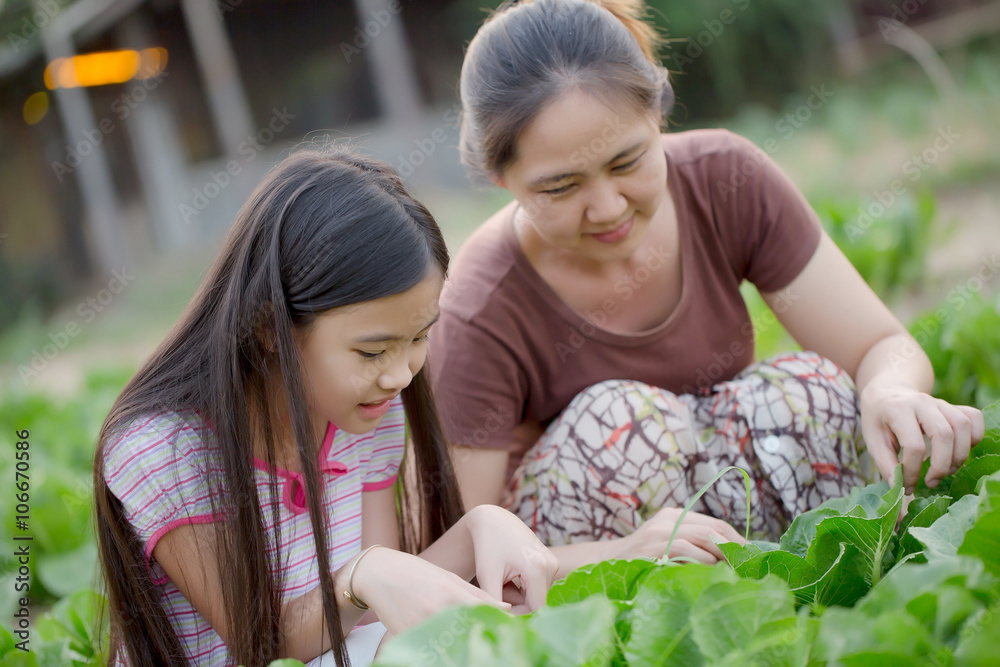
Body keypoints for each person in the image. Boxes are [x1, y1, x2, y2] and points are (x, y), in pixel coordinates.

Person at [427, 0, 985, 576]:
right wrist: (625, 554)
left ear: (658, 116)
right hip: (576, 558)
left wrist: (889, 392)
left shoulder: (726, 179)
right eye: (561, 188)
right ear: (502, 180)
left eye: (627, 162)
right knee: (621, 420)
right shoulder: (482, 305)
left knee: (814, 392)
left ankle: (814, 584)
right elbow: (466, 547)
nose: (608, 207)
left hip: (711, 505)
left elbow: (877, 347)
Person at [93, 148, 558, 667]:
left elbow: (374, 613)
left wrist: (477, 530)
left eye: (420, 338)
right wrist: (362, 574)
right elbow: (261, 644)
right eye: (372, 351)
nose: (401, 374)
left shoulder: (367, 413)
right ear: (271, 326)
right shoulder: (166, 449)